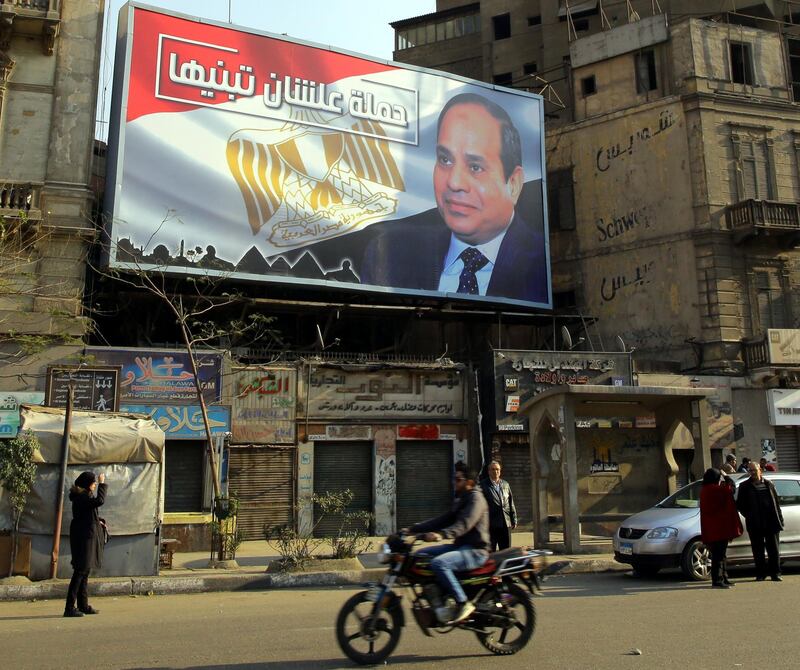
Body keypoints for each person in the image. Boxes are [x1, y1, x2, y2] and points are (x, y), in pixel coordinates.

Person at [360, 92, 547, 304]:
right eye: (445, 159)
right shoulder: (389, 255)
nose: (454, 182)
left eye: (475, 167)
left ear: (513, 184)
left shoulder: (542, 265)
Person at [406, 464, 490, 625]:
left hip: (476, 550)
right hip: (460, 546)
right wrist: (413, 529)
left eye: (458, 479)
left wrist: (441, 534)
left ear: (470, 483)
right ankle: (438, 596)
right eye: (454, 479)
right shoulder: (461, 499)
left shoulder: (476, 499)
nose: (454, 483)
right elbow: (443, 519)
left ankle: (463, 602)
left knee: (440, 563)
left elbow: (465, 524)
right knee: (421, 555)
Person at [64, 471, 107, 617]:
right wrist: (103, 483)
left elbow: (89, 513)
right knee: (80, 571)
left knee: (85, 571)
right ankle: (69, 607)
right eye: (93, 482)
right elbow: (100, 501)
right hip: (83, 538)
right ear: (88, 484)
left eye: (96, 482)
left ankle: (83, 605)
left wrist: (98, 521)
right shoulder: (82, 497)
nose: (95, 484)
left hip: (85, 535)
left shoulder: (83, 497)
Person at [736, 461, 784, 582]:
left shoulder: (769, 484)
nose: (752, 473)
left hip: (771, 522)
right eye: (750, 470)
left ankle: (775, 573)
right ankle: (761, 574)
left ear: (760, 470)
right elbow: (740, 505)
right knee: (758, 550)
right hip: (755, 523)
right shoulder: (744, 486)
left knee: (773, 549)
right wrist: (749, 515)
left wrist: (780, 519)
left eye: (754, 470)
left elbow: (776, 503)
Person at [699, 468, 742, 588]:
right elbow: (731, 489)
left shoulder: (705, 490)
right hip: (719, 528)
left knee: (721, 555)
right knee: (719, 556)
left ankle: (723, 577)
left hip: (712, 528)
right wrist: (727, 476)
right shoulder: (715, 489)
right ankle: (717, 579)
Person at [480, 460, 517, 551]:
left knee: (506, 551)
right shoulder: (483, 485)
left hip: (505, 523)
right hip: (491, 524)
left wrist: (514, 519)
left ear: (500, 471)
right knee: (490, 551)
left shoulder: (505, 484)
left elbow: (510, 502)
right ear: (488, 471)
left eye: (497, 469)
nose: (495, 471)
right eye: (493, 469)